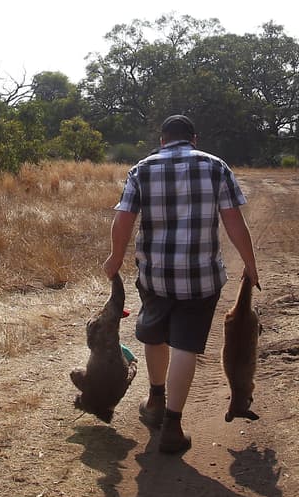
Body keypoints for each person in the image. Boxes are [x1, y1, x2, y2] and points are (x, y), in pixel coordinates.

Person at [102, 114, 259, 453]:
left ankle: (156, 399)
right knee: (185, 347)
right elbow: (233, 221)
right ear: (194, 138)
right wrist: (250, 263)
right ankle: (173, 425)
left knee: (155, 334)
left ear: (162, 140)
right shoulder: (216, 167)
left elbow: (124, 219)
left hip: (155, 275)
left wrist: (115, 258)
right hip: (202, 279)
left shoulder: (142, 169)